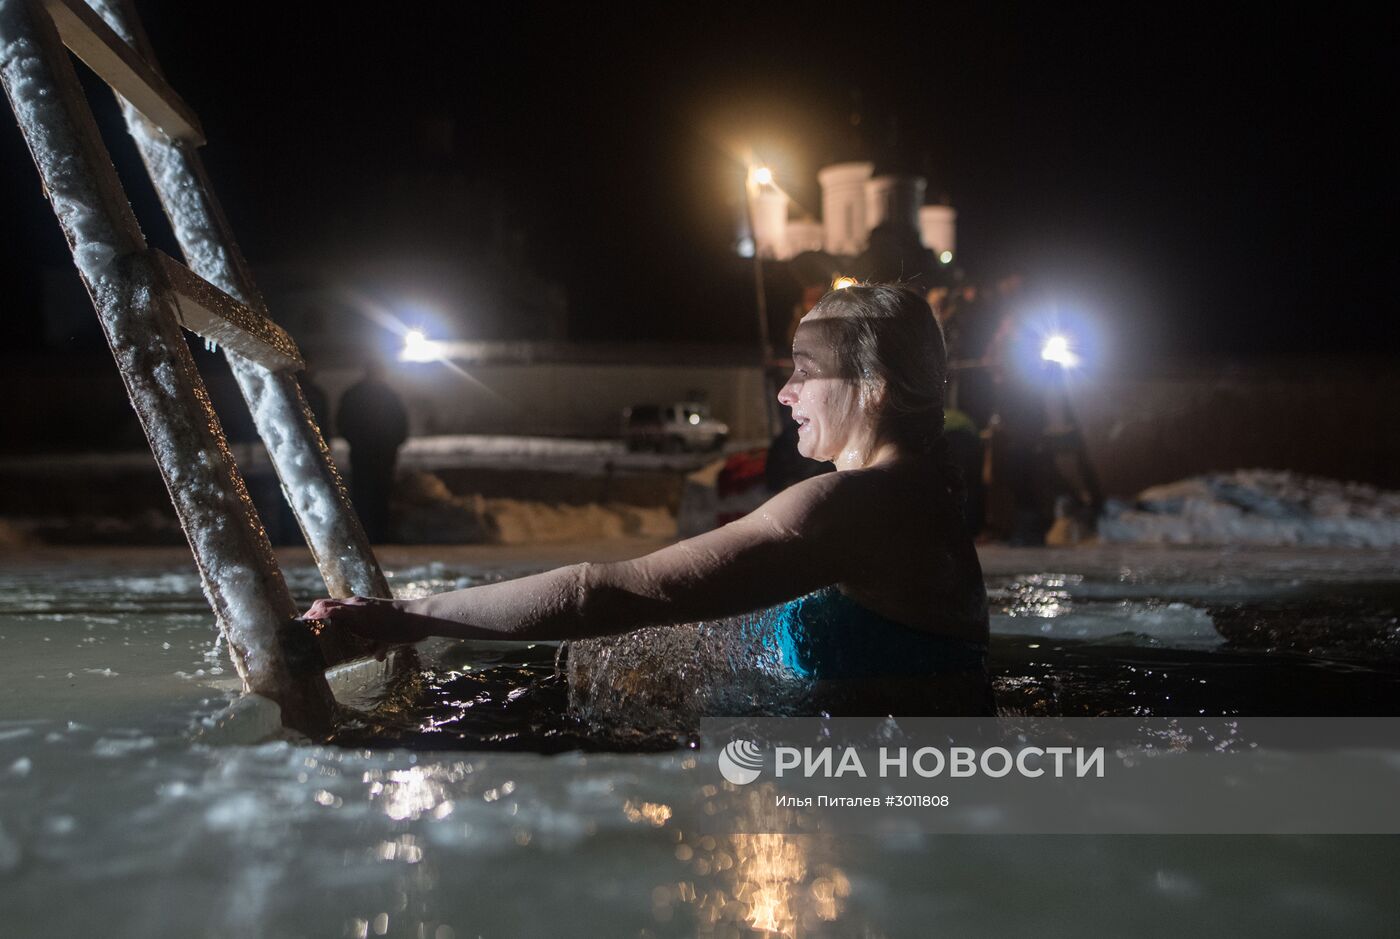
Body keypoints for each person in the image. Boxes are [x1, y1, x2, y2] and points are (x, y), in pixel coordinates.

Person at [305, 285, 990, 714]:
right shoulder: (919, 495)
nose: (785, 393)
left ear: (872, 384)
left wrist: (408, 614)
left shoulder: (854, 506)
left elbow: (609, 592)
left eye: (804, 373)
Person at [336, 359, 409, 544]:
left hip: (372, 452)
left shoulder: (358, 394)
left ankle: (370, 534)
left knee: (371, 493)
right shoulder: (388, 395)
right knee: (374, 493)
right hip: (376, 453)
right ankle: (374, 534)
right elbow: (344, 423)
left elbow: (343, 422)